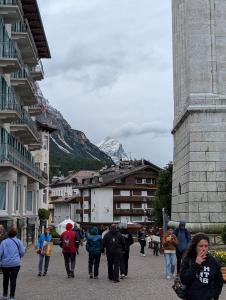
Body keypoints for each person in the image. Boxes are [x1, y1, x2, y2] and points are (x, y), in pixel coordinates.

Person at [180, 233, 223, 300]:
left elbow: (219, 281)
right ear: (195, 247)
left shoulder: (213, 261)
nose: (204, 249)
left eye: (206, 246)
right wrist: (196, 264)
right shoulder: (188, 259)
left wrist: (214, 294)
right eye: (201, 246)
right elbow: (184, 280)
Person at [0, 227, 25, 300]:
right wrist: (18, 257)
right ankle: (12, 296)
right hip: (15, 264)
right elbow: (22, 252)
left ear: (8, 234)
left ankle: (5, 295)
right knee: (13, 279)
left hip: (5, 264)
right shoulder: (18, 241)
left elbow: (0, 253)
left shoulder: (3, 242)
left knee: (5, 279)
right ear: (16, 234)